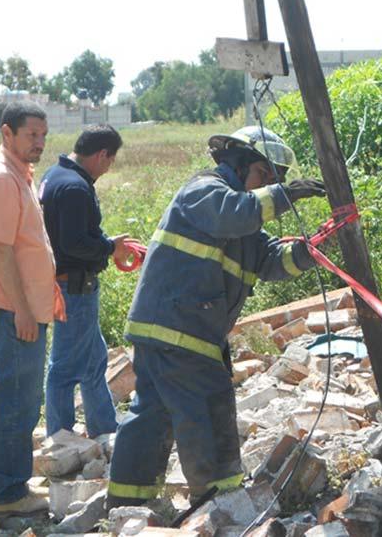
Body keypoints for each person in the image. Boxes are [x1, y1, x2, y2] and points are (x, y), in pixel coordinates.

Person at [107, 126, 326, 508]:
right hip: (181, 330)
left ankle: (128, 507)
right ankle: (220, 503)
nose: (266, 187)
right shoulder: (205, 192)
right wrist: (285, 194)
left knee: (152, 417)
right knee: (208, 408)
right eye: (264, 176)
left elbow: (271, 258)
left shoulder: (241, 220)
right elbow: (235, 214)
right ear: (239, 164)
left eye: (273, 181)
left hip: (171, 329)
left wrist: (311, 251)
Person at [0, 101, 65, 514]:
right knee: (15, 400)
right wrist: (23, 310)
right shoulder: (1, 180)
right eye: (31, 135)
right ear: (7, 133)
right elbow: (1, 252)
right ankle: (7, 494)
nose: (40, 143)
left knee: (21, 400)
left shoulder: (18, 175)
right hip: (11, 311)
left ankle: (7, 482)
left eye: (43, 135)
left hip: (22, 308)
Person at [39, 124, 134, 438]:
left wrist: (107, 242)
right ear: (102, 154)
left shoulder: (55, 175)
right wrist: (110, 247)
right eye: (110, 160)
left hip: (70, 283)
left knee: (94, 359)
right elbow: (73, 243)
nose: (109, 168)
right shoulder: (76, 187)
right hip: (74, 287)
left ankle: (104, 425)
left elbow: (71, 234)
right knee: (64, 368)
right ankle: (61, 437)